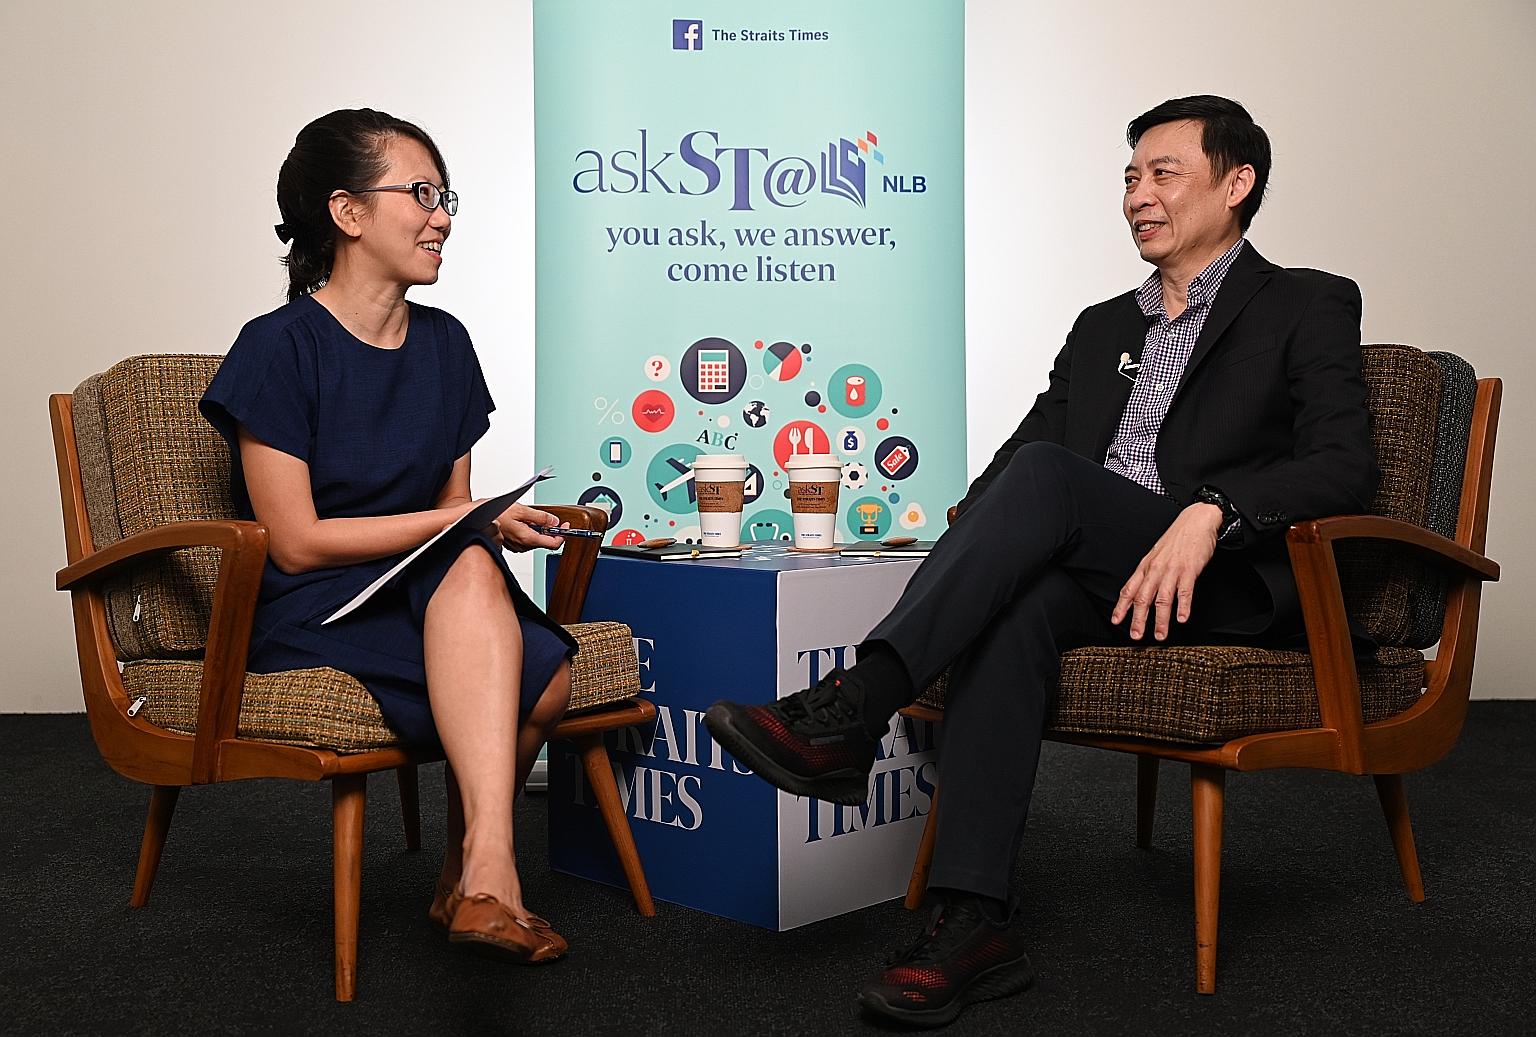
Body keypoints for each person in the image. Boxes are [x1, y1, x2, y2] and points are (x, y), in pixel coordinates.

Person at [705, 95, 1378, 1026]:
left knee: (1052, 480)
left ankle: (855, 707)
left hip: (1220, 576)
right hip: (1099, 573)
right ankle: (972, 921)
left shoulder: (1306, 301)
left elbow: (1346, 464)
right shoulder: (1104, 326)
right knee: (1015, 590)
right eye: (1130, 178)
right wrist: (970, 561)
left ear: (1237, 184)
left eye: (1164, 174)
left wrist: (1212, 513)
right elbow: (1010, 473)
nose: (1140, 195)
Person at [200, 109, 575, 963]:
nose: (443, 215)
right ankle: (479, 874)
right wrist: (463, 522)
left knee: (512, 622)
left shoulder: (449, 345)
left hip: (421, 589)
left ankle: (475, 876)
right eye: (422, 193)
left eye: (446, 197)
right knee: (535, 676)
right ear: (348, 212)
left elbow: (454, 512)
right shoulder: (277, 347)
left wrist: (477, 524)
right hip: (312, 604)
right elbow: (293, 541)